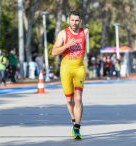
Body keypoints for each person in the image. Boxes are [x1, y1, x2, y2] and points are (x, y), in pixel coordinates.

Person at [52, 11, 88, 140]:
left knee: (78, 98)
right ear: (69, 20)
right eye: (72, 20)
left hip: (79, 69)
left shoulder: (85, 32)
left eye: (77, 20)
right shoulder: (63, 34)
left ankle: (77, 128)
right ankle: (73, 121)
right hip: (66, 69)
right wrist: (67, 45)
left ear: (80, 21)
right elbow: (53, 52)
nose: (74, 23)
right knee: (69, 100)